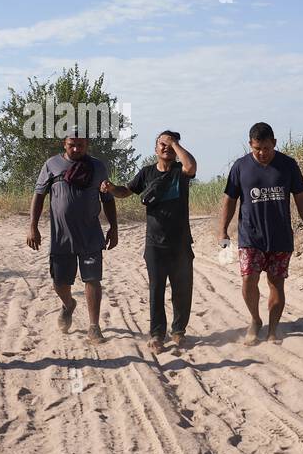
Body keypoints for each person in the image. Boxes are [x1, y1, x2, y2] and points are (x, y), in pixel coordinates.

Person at [217, 122, 303, 346]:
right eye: (257, 149)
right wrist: (223, 229)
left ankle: (273, 329)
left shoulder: (288, 165)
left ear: (274, 143)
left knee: (276, 284)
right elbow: (230, 199)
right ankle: (255, 320)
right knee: (248, 279)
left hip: (280, 237)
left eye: (266, 148)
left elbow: (300, 198)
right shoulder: (240, 167)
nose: (262, 153)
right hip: (250, 236)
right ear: (250, 145)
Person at [102, 130, 196, 353]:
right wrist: (112, 188)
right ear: (155, 149)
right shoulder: (146, 173)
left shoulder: (179, 172)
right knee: (156, 290)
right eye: (162, 144)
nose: (166, 147)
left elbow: (191, 167)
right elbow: (126, 191)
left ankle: (179, 332)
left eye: (171, 145)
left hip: (181, 242)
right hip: (155, 243)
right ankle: (156, 334)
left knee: (182, 289)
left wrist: (176, 145)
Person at [27, 134, 118, 344]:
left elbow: (107, 199)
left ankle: (94, 327)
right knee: (60, 283)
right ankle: (68, 304)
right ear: (64, 144)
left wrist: (114, 227)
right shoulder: (51, 164)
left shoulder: (98, 167)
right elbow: (39, 195)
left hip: (90, 235)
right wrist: (32, 226)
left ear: (86, 145)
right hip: (61, 236)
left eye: (80, 145)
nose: (76, 149)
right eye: (72, 145)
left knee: (93, 279)